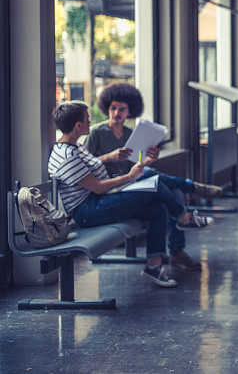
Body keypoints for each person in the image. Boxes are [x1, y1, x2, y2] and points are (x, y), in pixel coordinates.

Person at [48, 101, 214, 287]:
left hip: (99, 200)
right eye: (87, 119)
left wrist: (112, 158)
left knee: (158, 208)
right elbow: (98, 187)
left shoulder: (74, 147)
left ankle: (153, 266)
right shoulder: (67, 156)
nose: (90, 121)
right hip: (88, 211)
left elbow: (91, 168)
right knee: (155, 183)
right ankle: (184, 216)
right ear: (78, 126)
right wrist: (129, 177)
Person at [83, 82, 223, 271]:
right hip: (109, 189)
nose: (116, 113)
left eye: (122, 109)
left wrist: (148, 159)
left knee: (173, 192)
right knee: (154, 178)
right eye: (113, 108)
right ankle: (192, 191)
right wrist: (110, 157)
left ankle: (176, 252)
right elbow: (84, 165)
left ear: (129, 111)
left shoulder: (131, 134)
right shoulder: (96, 133)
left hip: (130, 185)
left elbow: (135, 167)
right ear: (106, 107)